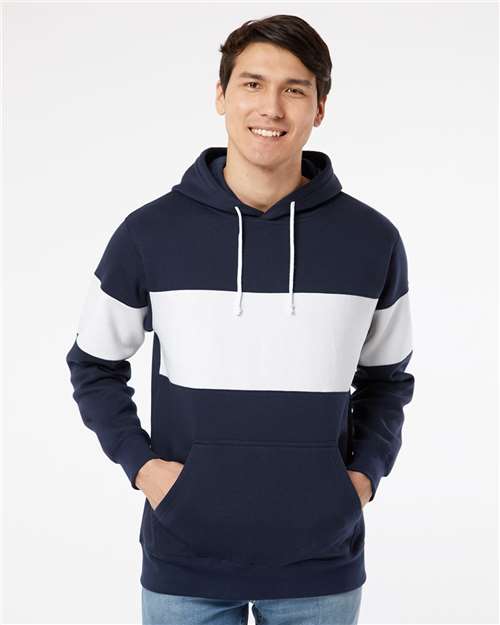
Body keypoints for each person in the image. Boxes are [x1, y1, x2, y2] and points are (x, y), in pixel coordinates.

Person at [66, 13, 415, 625]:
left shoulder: (372, 240)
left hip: (320, 565)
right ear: (221, 96)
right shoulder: (151, 233)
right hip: (184, 562)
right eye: (253, 84)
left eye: (294, 89)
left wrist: (360, 479)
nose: (271, 108)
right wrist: (143, 469)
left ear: (319, 108)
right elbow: (93, 364)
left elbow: (387, 380)